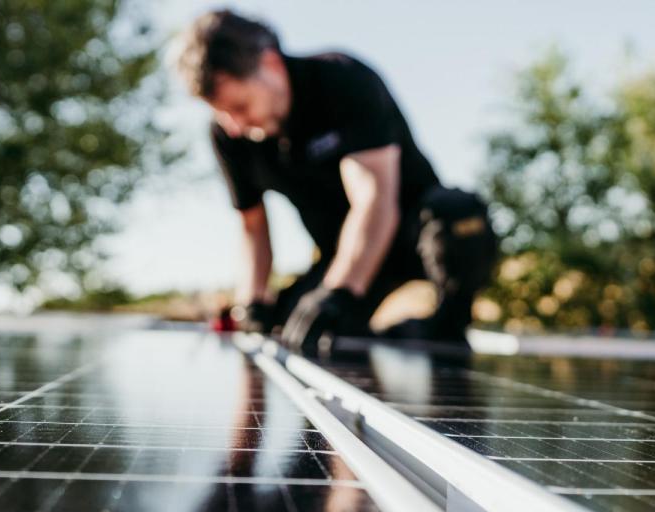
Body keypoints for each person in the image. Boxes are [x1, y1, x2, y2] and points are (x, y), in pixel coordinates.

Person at [175, 9, 496, 353]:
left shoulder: (342, 80)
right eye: (222, 114)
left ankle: (446, 327)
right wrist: (252, 303)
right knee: (294, 327)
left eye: (240, 106)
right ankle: (373, 324)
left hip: (410, 234)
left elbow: (374, 199)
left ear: (269, 64)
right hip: (341, 256)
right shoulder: (229, 135)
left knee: (460, 216)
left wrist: (339, 292)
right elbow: (252, 226)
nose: (235, 125)